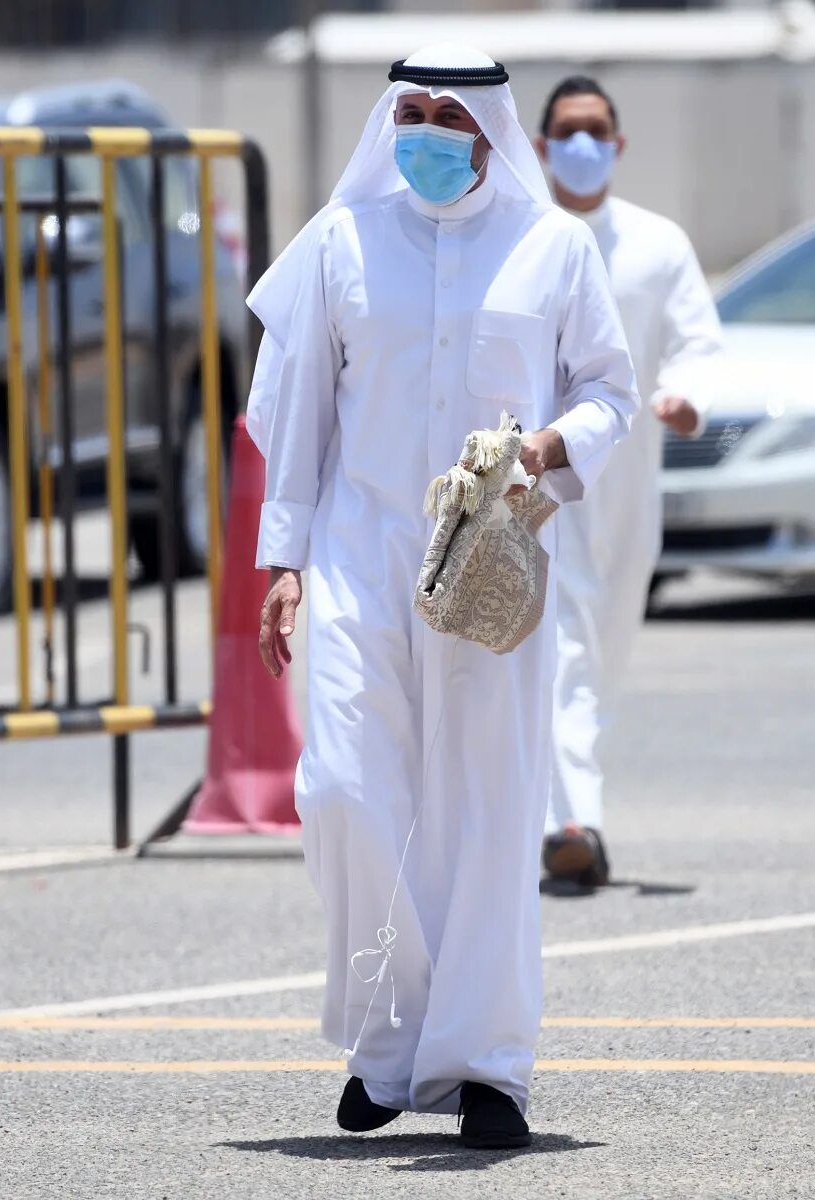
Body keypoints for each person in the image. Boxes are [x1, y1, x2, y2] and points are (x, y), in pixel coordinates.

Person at [247, 45, 637, 1149]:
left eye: (444, 112)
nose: (421, 128)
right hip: (361, 551)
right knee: (342, 791)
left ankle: (487, 1065)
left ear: (486, 128)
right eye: (406, 109)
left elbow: (611, 387)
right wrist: (282, 562)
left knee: (487, 807)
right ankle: (390, 1042)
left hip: (491, 562)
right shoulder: (339, 243)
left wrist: (556, 444)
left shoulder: (553, 248)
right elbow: (300, 418)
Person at [534, 76, 722, 887]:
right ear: (539, 145)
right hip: (543, 487)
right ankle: (572, 824)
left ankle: (554, 811)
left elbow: (698, 342)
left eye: (596, 129)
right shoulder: (520, 241)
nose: (582, 143)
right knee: (562, 654)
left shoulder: (657, 245)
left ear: (618, 143)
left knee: (603, 656)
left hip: (630, 492)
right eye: (567, 130)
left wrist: (686, 398)